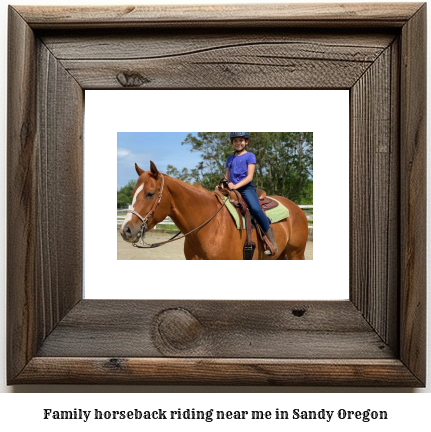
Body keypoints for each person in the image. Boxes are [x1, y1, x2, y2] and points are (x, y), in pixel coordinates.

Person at [222, 132, 278, 255]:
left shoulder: (250, 156)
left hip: (246, 189)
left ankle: (272, 242)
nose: (238, 143)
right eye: (235, 141)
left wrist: (235, 186)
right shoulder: (229, 158)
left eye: (241, 140)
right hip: (231, 189)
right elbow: (226, 177)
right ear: (232, 143)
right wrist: (221, 185)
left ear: (246, 142)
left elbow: (249, 177)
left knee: (256, 209)